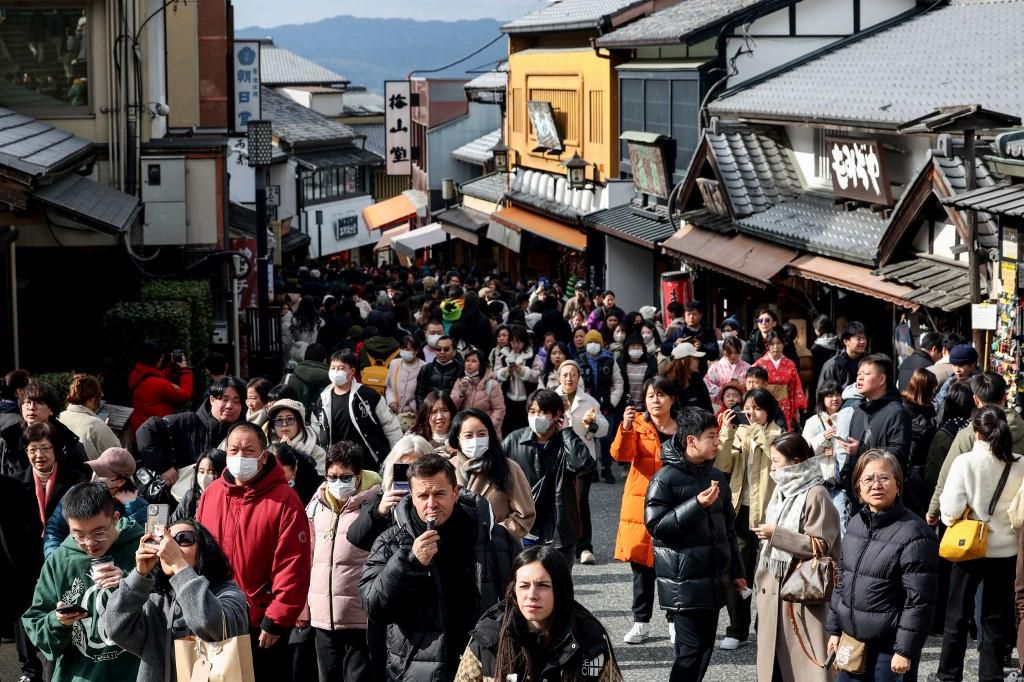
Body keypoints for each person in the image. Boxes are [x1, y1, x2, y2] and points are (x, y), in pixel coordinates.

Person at [358, 453, 518, 682]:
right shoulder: (391, 541)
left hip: (484, 665)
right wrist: (410, 562)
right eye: (423, 495)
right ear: (412, 496)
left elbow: (518, 601)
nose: (431, 503)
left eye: (439, 493)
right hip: (416, 670)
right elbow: (374, 605)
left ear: (456, 492)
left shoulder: (494, 538)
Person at [196, 422, 312, 682]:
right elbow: (199, 554)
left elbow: (293, 565)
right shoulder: (211, 494)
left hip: (260, 624)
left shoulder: (285, 500)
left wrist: (277, 619)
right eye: (234, 449)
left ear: (263, 457)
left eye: (249, 451)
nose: (240, 456)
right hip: (215, 618)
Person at [645, 408, 745, 682]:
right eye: (712, 436)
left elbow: (728, 529)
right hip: (683, 584)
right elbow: (657, 527)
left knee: (702, 652)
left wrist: (736, 572)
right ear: (691, 441)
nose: (717, 442)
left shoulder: (717, 477)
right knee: (689, 655)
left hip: (714, 581)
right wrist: (697, 505)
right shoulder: (665, 478)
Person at [827, 450, 938, 682]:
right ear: (858, 487)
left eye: (884, 478)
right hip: (853, 640)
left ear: (898, 484)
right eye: (868, 479)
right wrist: (835, 629)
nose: (876, 485)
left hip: (890, 649)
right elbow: (843, 582)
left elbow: (919, 601)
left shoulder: (915, 533)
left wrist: (905, 650)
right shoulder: (856, 523)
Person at [22, 482, 145, 682]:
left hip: (136, 673)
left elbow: (168, 614)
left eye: (99, 533)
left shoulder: (142, 549)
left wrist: (133, 583)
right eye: (78, 535)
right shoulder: (60, 561)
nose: (89, 543)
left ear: (115, 518)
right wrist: (58, 620)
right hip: (79, 675)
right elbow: (35, 625)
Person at [936, 406, 1024, 682]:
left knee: (957, 616)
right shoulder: (1020, 463)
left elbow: (949, 511)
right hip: (1006, 549)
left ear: (976, 433)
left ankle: (949, 674)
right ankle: (991, 675)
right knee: (995, 618)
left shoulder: (965, 462)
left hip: (968, 549)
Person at [103, 520, 250, 682]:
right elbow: (115, 628)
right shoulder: (156, 600)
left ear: (203, 549)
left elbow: (210, 624)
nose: (170, 547)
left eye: (184, 538)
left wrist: (178, 564)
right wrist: (139, 574)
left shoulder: (229, 593)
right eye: (164, 540)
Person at [454, 545, 624, 682]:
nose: (532, 595)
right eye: (524, 585)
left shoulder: (588, 640)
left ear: (561, 590)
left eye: (543, 585)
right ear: (513, 591)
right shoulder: (488, 637)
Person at [752, 433, 841, 682]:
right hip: (774, 589)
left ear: (796, 461)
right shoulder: (782, 491)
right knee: (775, 668)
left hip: (803, 593)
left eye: (777, 461)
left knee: (802, 666)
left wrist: (776, 535)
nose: (773, 467)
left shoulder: (816, 494)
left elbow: (822, 545)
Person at [305, 441, 381, 682]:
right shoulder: (317, 505)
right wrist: (304, 607)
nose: (338, 483)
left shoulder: (374, 505)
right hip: (322, 618)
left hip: (359, 619)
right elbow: (309, 557)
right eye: (332, 476)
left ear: (358, 476)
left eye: (345, 477)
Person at [715, 387, 782, 650]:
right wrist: (727, 432)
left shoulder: (780, 435)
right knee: (738, 572)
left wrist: (759, 435)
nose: (751, 413)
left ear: (769, 410)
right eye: (747, 407)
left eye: (757, 408)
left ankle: (764, 627)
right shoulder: (739, 433)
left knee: (767, 574)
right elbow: (721, 465)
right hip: (739, 511)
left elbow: (779, 467)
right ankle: (737, 629)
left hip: (768, 514)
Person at [612, 376, 676, 645]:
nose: (655, 400)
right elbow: (621, 455)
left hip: (674, 502)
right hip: (641, 502)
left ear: (672, 399)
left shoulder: (683, 426)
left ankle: (674, 621)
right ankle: (641, 623)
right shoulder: (636, 424)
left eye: (661, 394)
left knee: (673, 566)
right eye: (651, 395)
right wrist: (626, 427)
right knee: (641, 568)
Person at [500, 389, 593, 566]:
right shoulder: (514, 440)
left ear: (557, 414)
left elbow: (583, 464)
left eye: (542, 412)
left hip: (560, 525)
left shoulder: (566, 441)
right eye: (532, 411)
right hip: (525, 523)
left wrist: (567, 432)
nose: (536, 417)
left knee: (558, 583)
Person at [136, 375, 247, 485]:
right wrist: (163, 467)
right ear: (212, 400)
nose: (229, 405)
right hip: (180, 496)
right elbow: (146, 430)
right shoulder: (188, 421)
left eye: (236, 401)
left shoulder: (245, 433)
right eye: (224, 399)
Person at [449, 408, 535, 540]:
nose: (475, 440)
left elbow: (525, 515)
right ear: (458, 438)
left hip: (497, 552)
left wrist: (494, 532)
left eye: (482, 434)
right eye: (468, 435)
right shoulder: (447, 468)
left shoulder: (508, 468)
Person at [311, 350, 403, 472]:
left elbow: (391, 426)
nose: (335, 372)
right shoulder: (322, 400)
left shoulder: (368, 396)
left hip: (371, 465)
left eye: (341, 368)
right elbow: (317, 433)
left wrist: (398, 457)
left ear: (352, 371)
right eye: (333, 368)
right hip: (340, 469)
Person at [555, 360, 608, 565]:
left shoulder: (589, 401)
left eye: (573, 375)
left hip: (582, 459)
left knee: (580, 501)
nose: (569, 378)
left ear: (579, 377)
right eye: (565, 374)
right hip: (558, 458)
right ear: (559, 377)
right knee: (559, 501)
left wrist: (592, 424)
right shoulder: (551, 397)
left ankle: (584, 547)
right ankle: (558, 543)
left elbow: (604, 429)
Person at [840, 354, 912, 485]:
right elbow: (851, 452)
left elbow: (899, 453)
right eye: (858, 374)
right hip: (859, 489)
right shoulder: (858, 412)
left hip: (884, 490)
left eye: (866, 374)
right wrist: (845, 474)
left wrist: (862, 450)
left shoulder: (897, 412)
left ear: (882, 379)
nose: (859, 378)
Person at [0, 381, 90, 480]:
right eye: (27, 402)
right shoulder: (7, 440)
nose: (31, 408)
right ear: (21, 408)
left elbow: (83, 482)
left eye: (39, 403)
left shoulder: (69, 442)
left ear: (51, 410)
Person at [923, 381, 973, 513]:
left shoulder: (945, 433)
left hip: (949, 502)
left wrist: (932, 506)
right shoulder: (977, 431)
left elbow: (933, 474)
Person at [128, 341, 193, 434]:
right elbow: (185, 395)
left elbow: (152, 377)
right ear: (159, 359)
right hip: (156, 433)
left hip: (139, 429)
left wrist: (170, 367)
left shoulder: (135, 375)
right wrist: (186, 371)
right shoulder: (160, 385)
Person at [58, 374, 120, 461]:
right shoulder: (96, 425)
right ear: (92, 399)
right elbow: (119, 458)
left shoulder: (59, 418)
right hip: (90, 473)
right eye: (99, 397)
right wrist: (103, 428)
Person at [754, 331, 807, 430]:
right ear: (767, 345)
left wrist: (796, 411)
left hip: (785, 404)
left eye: (778, 343)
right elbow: (753, 385)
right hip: (766, 403)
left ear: (783, 344)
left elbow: (796, 387)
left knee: (784, 432)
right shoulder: (759, 364)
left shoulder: (790, 364)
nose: (775, 347)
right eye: (772, 344)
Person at [493, 324, 538, 434]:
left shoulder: (532, 356)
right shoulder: (503, 356)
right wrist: (507, 371)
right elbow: (496, 374)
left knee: (526, 428)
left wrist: (521, 370)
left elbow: (537, 376)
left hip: (527, 398)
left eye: (519, 342)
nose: (515, 345)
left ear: (524, 341)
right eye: (513, 342)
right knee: (508, 428)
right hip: (508, 398)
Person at [450, 348, 506, 437]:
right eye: (467, 361)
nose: (469, 364)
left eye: (474, 361)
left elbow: (499, 410)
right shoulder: (459, 381)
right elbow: (452, 407)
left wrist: (487, 426)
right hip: (465, 431)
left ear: (481, 364)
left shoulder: (492, 384)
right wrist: (461, 393)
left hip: (488, 432)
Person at [267, 398, 327, 475]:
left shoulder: (317, 453)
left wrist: (294, 453)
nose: (284, 424)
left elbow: (318, 482)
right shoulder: (265, 451)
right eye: (279, 420)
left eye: (290, 419)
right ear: (273, 426)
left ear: (299, 423)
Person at [169, 448, 225, 523]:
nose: (205, 477)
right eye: (201, 472)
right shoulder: (190, 497)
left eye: (211, 472)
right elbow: (173, 524)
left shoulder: (229, 501)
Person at [282, 343, 331, 417]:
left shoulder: (289, 379)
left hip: (293, 423)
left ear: (304, 358)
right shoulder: (334, 381)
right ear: (324, 360)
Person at [933, 344, 981, 420]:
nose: (957, 370)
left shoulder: (981, 384)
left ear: (972, 365)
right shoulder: (950, 381)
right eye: (954, 365)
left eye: (961, 365)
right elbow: (938, 404)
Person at [817, 322, 868, 393]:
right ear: (846, 341)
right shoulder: (832, 365)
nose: (863, 342)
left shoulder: (870, 362)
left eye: (864, 338)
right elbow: (822, 394)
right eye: (858, 339)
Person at [385, 336, 424, 423]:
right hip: (395, 414)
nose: (404, 352)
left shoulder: (424, 367)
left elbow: (424, 393)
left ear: (416, 350)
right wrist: (392, 402)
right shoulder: (394, 364)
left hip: (414, 417)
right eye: (402, 348)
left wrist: (412, 406)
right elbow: (389, 387)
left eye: (408, 349)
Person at [414, 335, 463, 405]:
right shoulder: (426, 369)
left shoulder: (461, 370)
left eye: (446, 349)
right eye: (438, 349)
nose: (442, 352)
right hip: (430, 411)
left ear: (454, 352)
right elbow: (419, 395)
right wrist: (424, 412)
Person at [664, 343, 713, 413]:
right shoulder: (669, 384)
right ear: (683, 361)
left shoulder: (697, 379)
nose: (698, 361)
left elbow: (708, 406)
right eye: (694, 358)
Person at [704, 336, 750, 409]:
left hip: (741, 404)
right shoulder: (716, 367)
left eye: (736, 352)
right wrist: (722, 389)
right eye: (729, 353)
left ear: (740, 351)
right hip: (720, 405)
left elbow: (751, 386)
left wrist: (742, 387)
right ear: (724, 351)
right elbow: (707, 384)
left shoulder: (747, 367)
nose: (733, 356)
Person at [408, 391, 458, 456]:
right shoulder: (413, 438)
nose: (439, 416)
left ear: (452, 413)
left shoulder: (461, 437)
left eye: (444, 410)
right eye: (433, 412)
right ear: (426, 415)